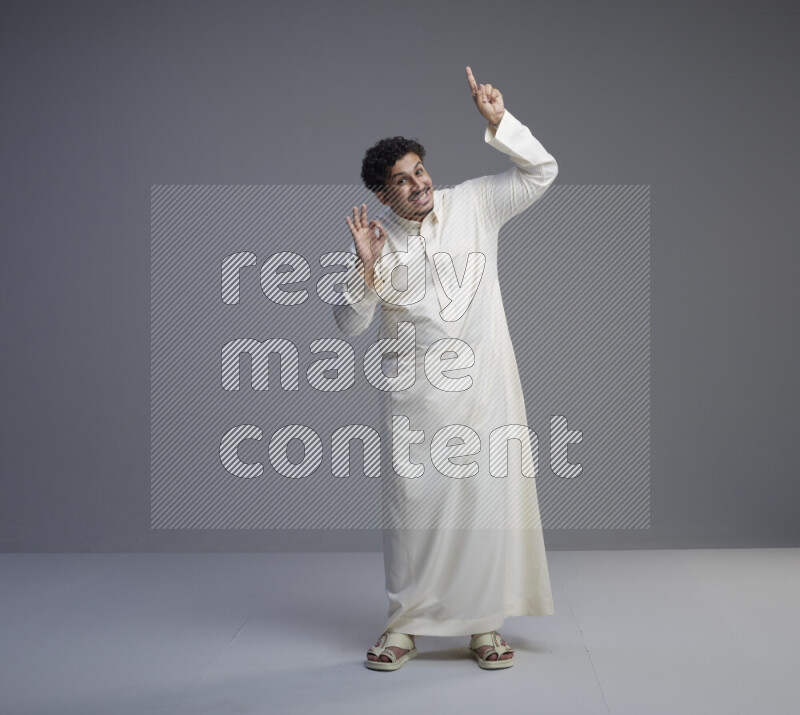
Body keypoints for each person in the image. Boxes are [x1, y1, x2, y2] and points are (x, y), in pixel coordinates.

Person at [333, 67, 558, 670]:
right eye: (402, 182)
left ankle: (484, 628)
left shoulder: (474, 205)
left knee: (486, 509)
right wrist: (363, 268)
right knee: (413, 517)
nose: (418, 185)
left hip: (484, 397)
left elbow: (542, 172)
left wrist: (498, 123)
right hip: (415, 405)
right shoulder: (374, 243)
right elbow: (349, 326)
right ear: (384, 196)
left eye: (420, 171)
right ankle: (404, 626)